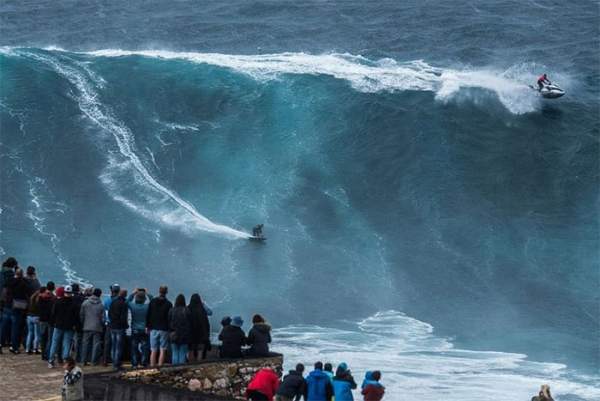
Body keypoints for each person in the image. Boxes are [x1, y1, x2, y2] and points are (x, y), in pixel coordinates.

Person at [49, 285, 79, 368]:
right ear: (71, 293)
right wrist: (76, 326)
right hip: (69, 327)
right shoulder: (74, 304)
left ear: (64, 292)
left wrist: (52, 323)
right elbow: (76, 317)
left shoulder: (58, 302)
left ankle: (51, 361)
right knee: (66, 344)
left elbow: (53, 314)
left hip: (58, 325)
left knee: (54, 343)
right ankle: (65, 361)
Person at [7, 268, 33, 353]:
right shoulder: (23, 282)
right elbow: (29, 290)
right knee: (17, 326)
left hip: (11, 304)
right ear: (22, 274)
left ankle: (13, 345)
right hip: (21, 305)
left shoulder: (10, 281)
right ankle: (15, 346)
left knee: (14, 325)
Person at [147, 285, 172, 367]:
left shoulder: (153, 302)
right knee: (162, 350)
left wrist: (148, 326)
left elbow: (149, 314)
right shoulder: (169, 304)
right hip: (164, 329)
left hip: (153, 328)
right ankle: (160, 367)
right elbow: (169, 317)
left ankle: (152, 366)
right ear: (166, 292)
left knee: (153, 350)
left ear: (159, 291)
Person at [127, 288, 152, 368]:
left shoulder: (132, 306)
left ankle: (134, 363)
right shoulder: (147, 307)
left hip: (134, 329)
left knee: (134, 347)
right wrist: (147, 293)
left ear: (136, 298)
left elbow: (126, 302)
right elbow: (153, 301)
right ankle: (144, 362)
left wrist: (133, 293)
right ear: (144, 299)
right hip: (144, 329)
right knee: (145, 347)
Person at [79, 288, 104, 365]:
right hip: (97, 327)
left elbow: (81, 315)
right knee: (96, 345)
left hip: (86, 325)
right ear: (100, 295)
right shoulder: (101, 305)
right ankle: (93, 361)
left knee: (85, 344)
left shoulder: (85, 303)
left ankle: (83, 361)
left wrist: (83, 323)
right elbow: (102, 318)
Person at [0, 257, 18, 352]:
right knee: (12, 323)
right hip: (8, 302)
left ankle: (1, 342)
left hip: (1, 300)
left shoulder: (1, 272)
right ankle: (11, 343)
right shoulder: (10, 275)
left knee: (2, 323)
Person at [168, 293, 191, 365]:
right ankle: (181, 369)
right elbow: (190, 322)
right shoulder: (187, 310)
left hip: (173, 333)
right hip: (184, 334)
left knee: (175, 352)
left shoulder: (172, 310)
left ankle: (174, 368)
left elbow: (168, 321)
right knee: (182, 352)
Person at [108, 289, 128, 370]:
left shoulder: (113, 302)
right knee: (118, 346)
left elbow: (109, 313)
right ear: (125, 295)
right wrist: (125, 325)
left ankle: (113, 361)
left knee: (113, 345)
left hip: (113, 326)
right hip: (120, 327)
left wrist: (112, 321)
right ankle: (116, 363)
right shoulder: (124, 303)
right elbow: (123, 317)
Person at [187, 293, 210, 362]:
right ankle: (198, 365)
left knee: (190, 350)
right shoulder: (202, 309)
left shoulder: (188, 308)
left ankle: (190, 365)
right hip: (201, 334)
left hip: (191, 334)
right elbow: (210, 312)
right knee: (200, 351)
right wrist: (204, 304)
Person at [102, 284, 120, 366]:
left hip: (109, 324)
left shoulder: (107, 300)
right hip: (118, 324)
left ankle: (105, 360)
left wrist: (105, 321)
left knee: (107, 342)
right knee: (117, 343)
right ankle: (115, 361)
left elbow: (104, 312)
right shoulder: (120, 300)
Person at [38, 281, 56, 360]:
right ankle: (48, 354)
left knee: (43, 337)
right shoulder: (53, 298)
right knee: (49, 338)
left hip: (42, 319)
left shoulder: (41, 297)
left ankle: (43, 354)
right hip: (50, 320)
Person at [26, 285, 44, 354]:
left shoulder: (32, 297)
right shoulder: (39, 299)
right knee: (37, 334)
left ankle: (28, 349)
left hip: (29, 317)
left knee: (30, 333)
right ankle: (35, 348)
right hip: (36, 317)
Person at [70, 283, 85, 363]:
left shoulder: (70, 298)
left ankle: (70, 357)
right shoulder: (81, 298)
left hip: (71, 322)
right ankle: (78, 357)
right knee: (79, 340)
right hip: (79, 322)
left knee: (71, 340)